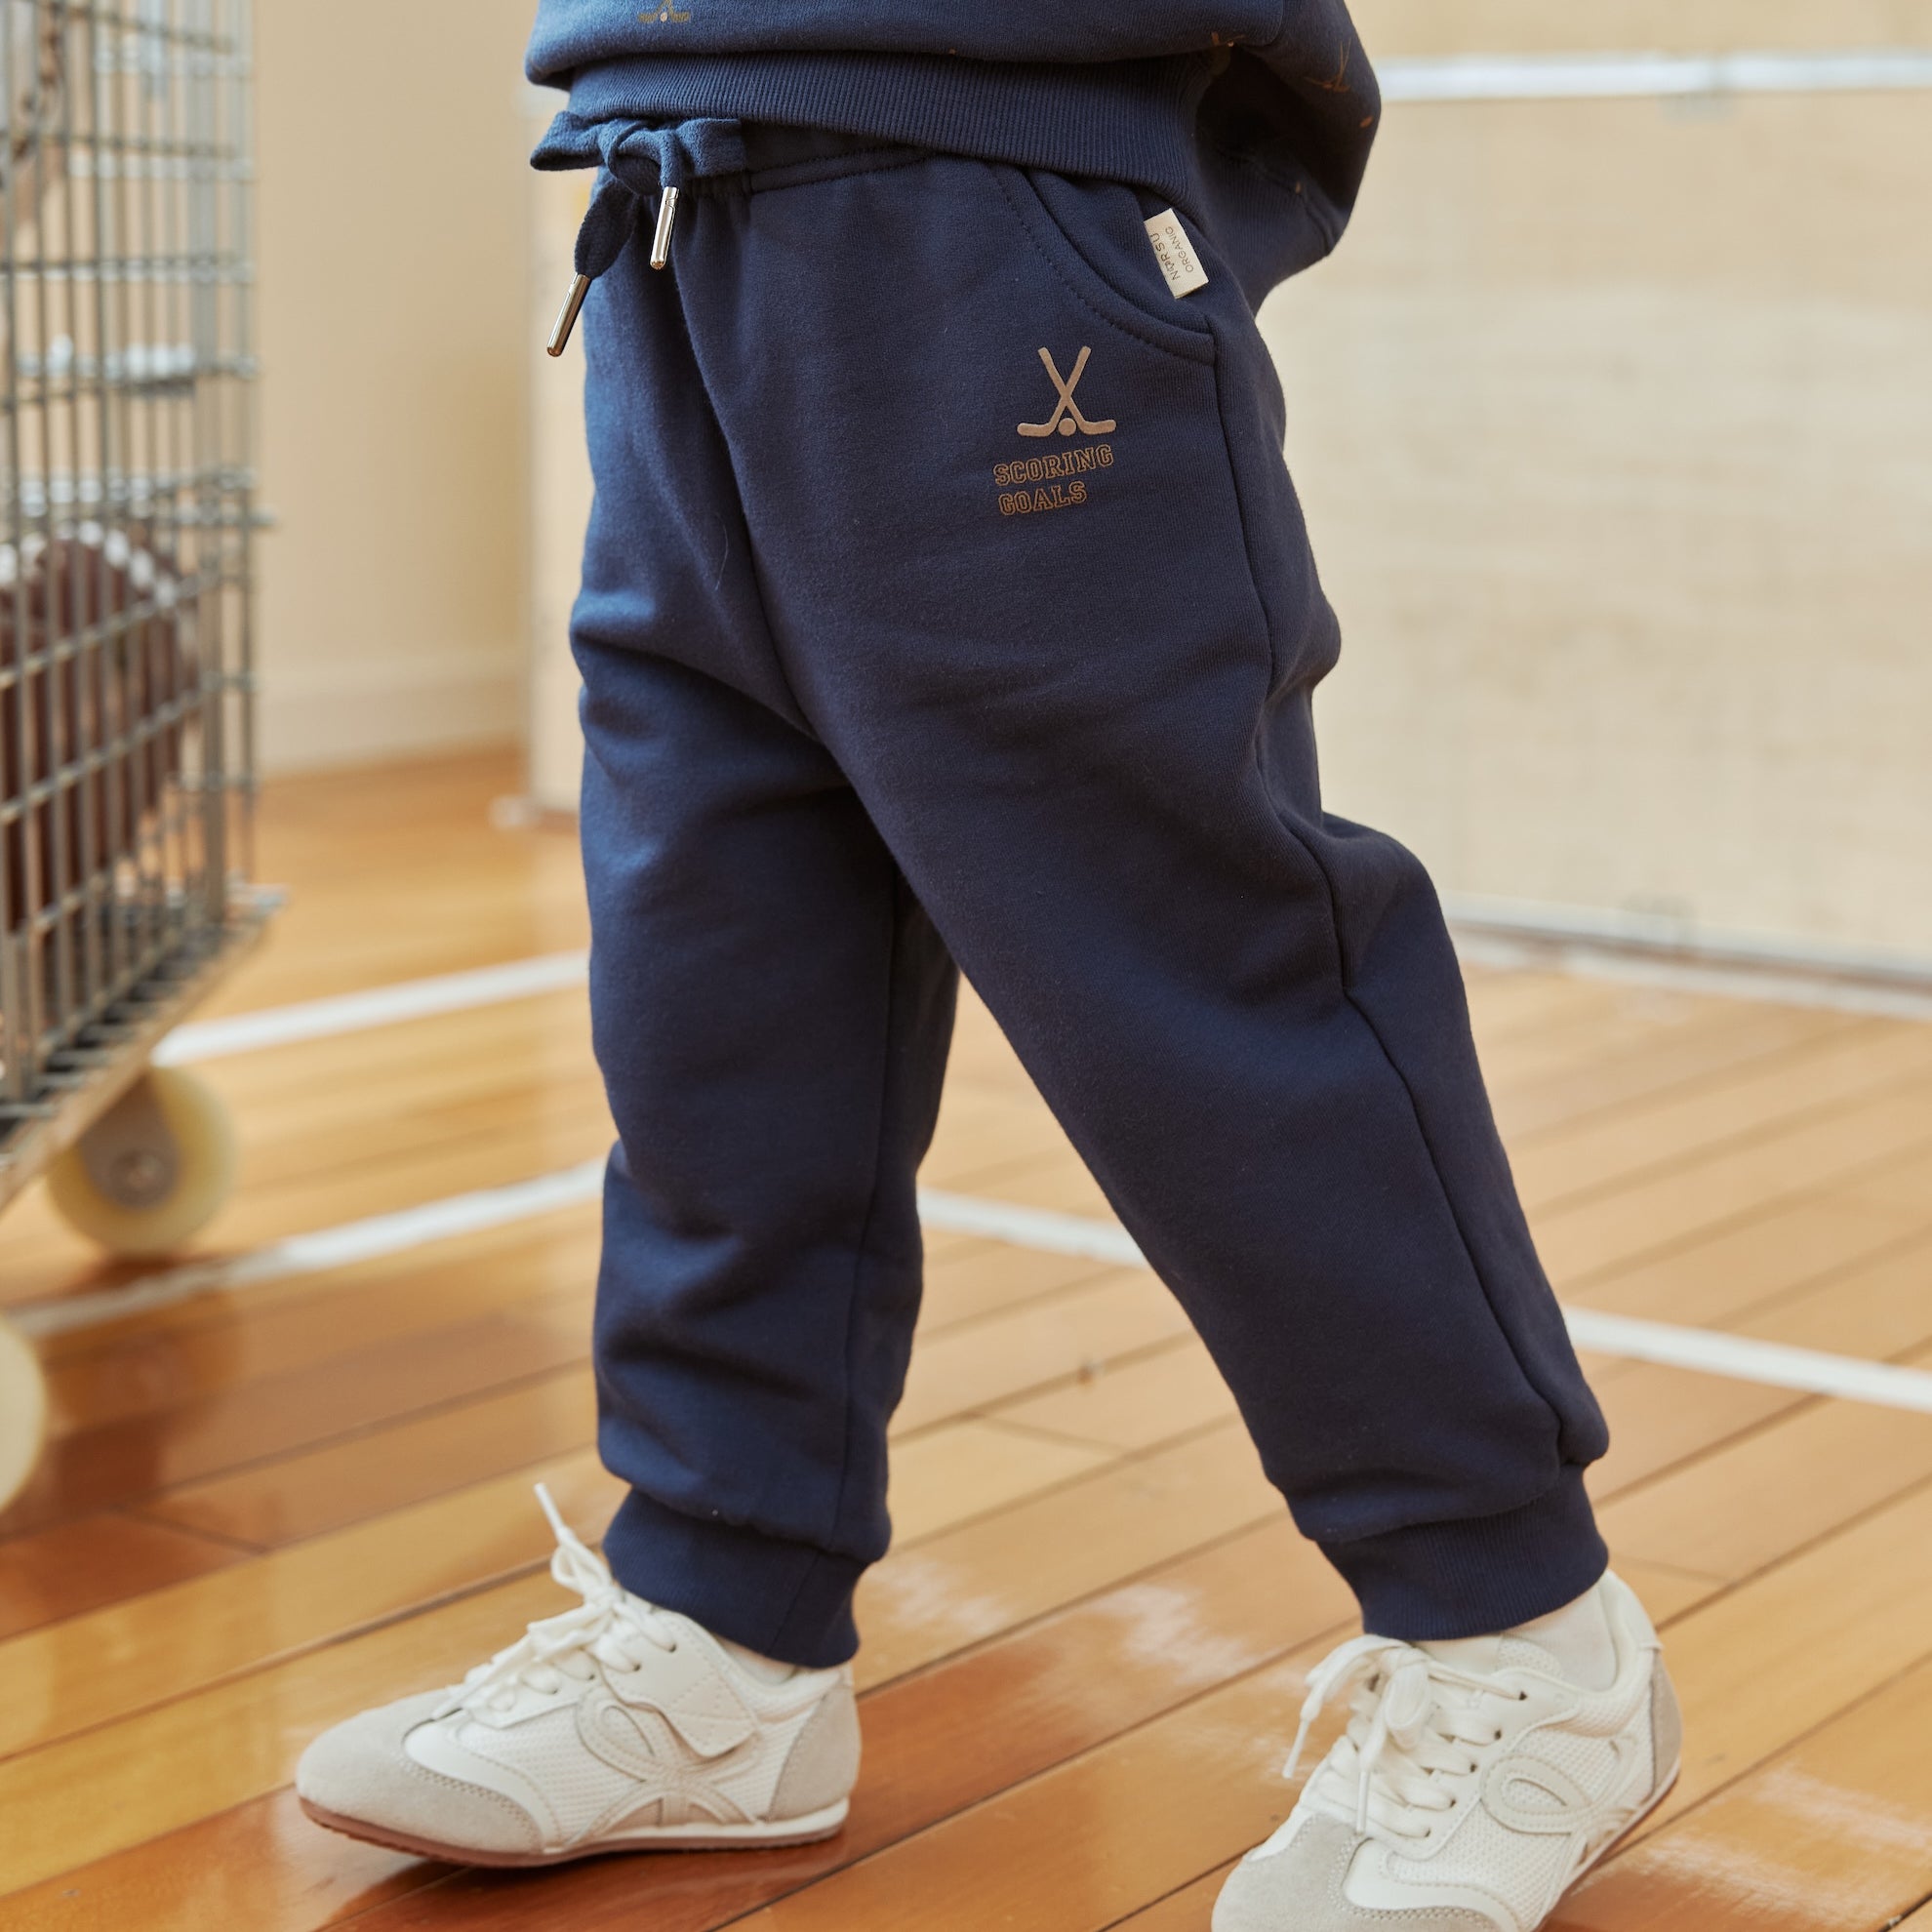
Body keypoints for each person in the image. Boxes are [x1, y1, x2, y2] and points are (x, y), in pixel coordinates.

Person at [296, 6, 1680, 1925]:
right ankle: (724, 1629)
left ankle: (1523, 1638)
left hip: (980, 198)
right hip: (663, 206)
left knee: (1189, 973)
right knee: (720, 984)